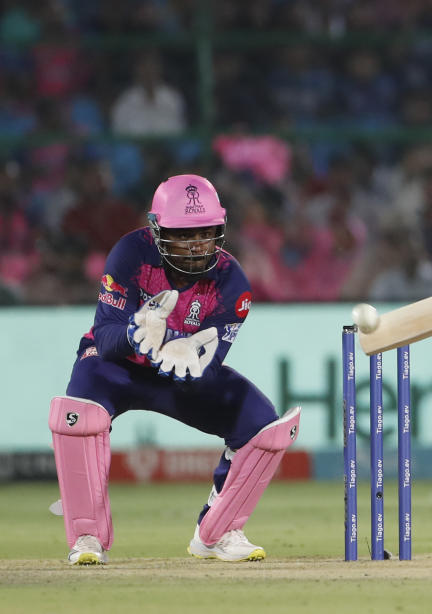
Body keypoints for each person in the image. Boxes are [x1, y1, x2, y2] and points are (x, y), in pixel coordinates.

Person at [48, 174, 301, 565]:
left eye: (205, 232)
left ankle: (217, 534)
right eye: (182, 234)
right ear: (156, 230)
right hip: (117, 368)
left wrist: (187, 357)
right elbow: (105, 334)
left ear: (220, 229)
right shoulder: (131, 253)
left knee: (263, 427)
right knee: (77, 412)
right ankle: (86, 537)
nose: (196, 244)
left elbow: (211, 364)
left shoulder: (233, 281)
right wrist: (136, 335)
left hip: (177, 375)